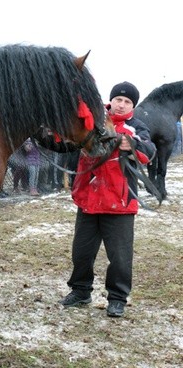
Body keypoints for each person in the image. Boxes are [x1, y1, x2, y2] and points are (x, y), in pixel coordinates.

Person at [58, 82, 156, 318]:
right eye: (118, 100)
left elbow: (149, 153)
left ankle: (117, 298)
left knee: (120, 258)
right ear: (111, 100)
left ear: (133, 105)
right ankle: (81, 291)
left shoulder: (135, 127)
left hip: (119, 203)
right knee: (81, 252)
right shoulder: (94, 119)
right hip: (88, 199)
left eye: (127, 102)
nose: (121, 105)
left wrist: (131, 144)